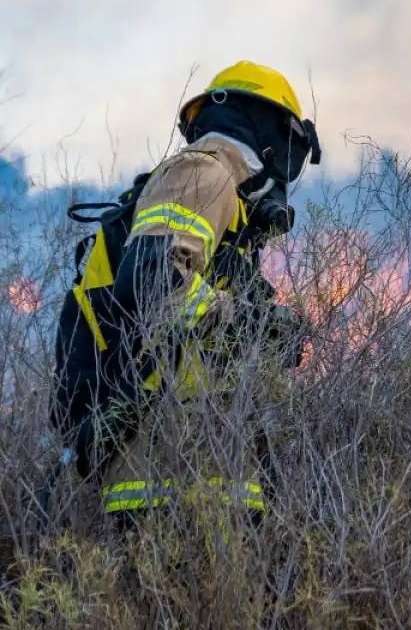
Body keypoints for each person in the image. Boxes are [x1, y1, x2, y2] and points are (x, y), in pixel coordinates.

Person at [49, 60, 320, 522]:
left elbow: (199, 314)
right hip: (165, 467)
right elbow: (154, 279)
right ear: (276, 136)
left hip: (201, 460)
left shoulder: (227, 205)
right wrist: (245, 320)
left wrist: (271, 330)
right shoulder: (200, 173)